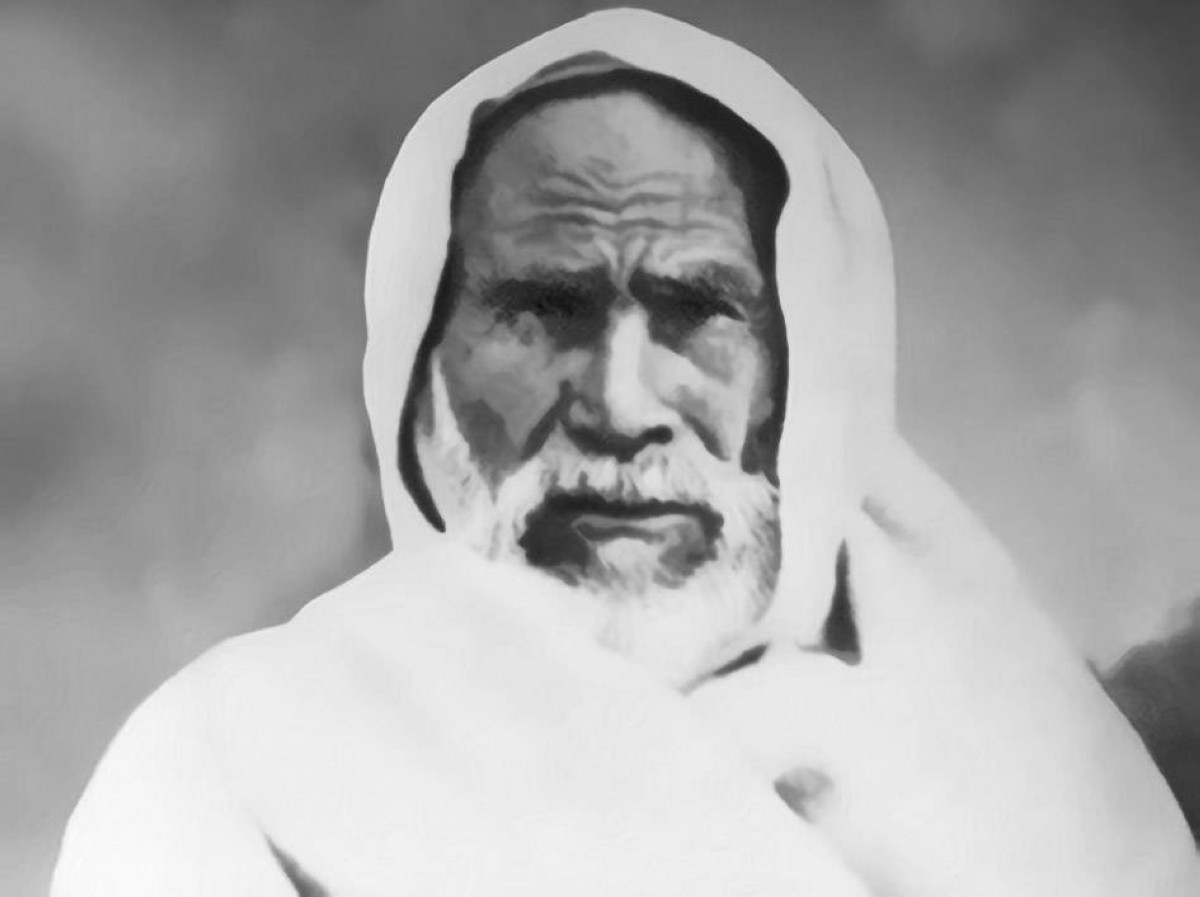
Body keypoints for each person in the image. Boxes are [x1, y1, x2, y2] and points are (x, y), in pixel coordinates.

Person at [51, 10, 1200, 896]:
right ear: (418, 371)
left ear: (812, 368)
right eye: (542, 312)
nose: (620, 403)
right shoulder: (229, 763)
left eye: (700, 311)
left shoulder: (1039, 783)